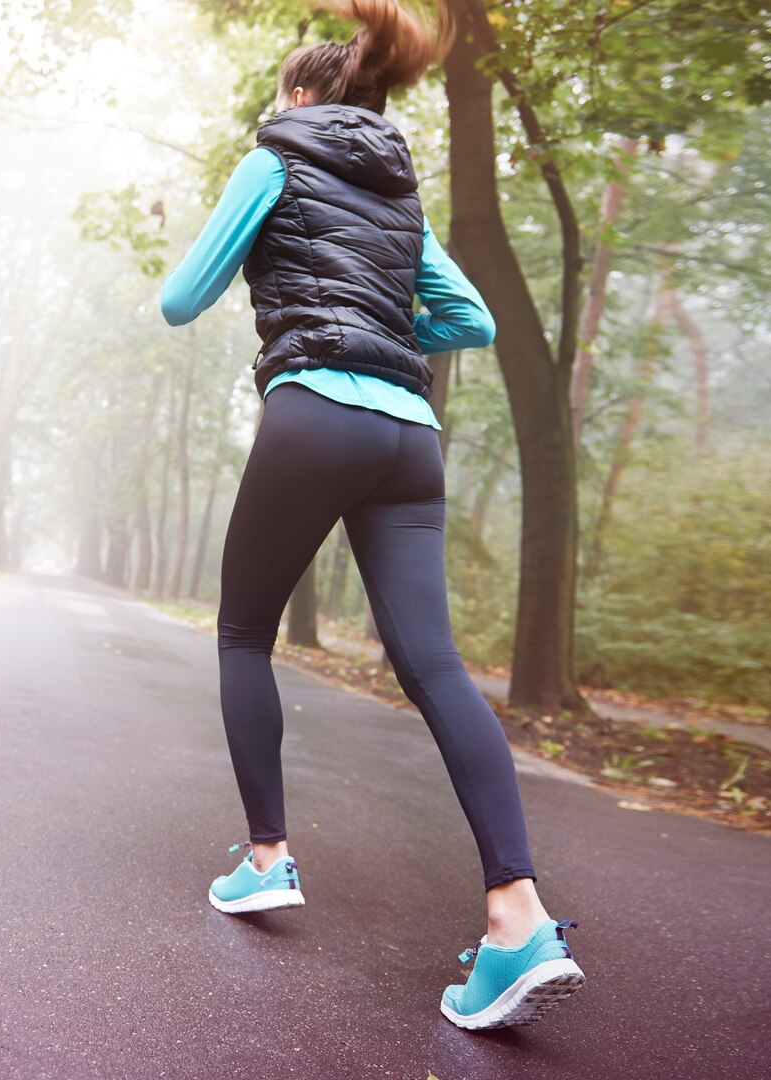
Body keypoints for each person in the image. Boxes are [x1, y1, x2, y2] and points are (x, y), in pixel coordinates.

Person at [158, 0, 584, 1031]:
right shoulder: (402, 197)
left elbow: (182, 297)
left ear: (301, 95)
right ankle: (518, 918)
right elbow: (472, 320)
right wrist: (385, 327)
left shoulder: (275, 158)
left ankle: (267, 859)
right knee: (435, 666)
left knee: (243, 633)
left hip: (316, 413)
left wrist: (316, 321)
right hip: (409, 437)